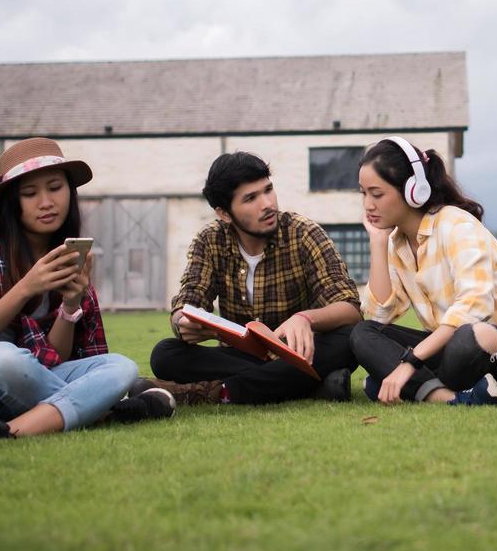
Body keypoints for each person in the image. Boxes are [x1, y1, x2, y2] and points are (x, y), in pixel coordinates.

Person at [0, 138, 173, 443]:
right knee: (5, 358)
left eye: (55, 187)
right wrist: (27, 287)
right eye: (29, 193)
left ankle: (4, 432)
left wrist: (70, 304)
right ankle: (109, 411)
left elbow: (54, 358)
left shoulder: (65, 253)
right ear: (12, 200)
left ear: (70, 191)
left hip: (16, 387)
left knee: (121, 368)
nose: (46, 202)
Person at [146, 152, 362, 405]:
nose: (267, 204)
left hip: (300, 354)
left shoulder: (304, 233)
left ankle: (219, 391)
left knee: (351, 339)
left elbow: (350, 309)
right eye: (251, 198)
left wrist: (305, 318)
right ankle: (309, 386)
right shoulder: (210, 240)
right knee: (165, 354)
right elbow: (189, 299)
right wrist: (183, 322)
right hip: (240, 357)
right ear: (224, 214)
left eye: (268, 190)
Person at [351, 136, 497, 406]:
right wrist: (377, 243)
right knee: (363, 333)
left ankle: (412, 386)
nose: (368, 204)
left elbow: (473, 308)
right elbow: (380, 314)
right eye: (363, 193)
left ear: (414, 190)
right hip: (448, 349)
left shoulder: (458, 225)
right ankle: (450, 397)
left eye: (377, 194)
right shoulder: (396, 243)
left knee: (467, 339)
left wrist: (408, 363)